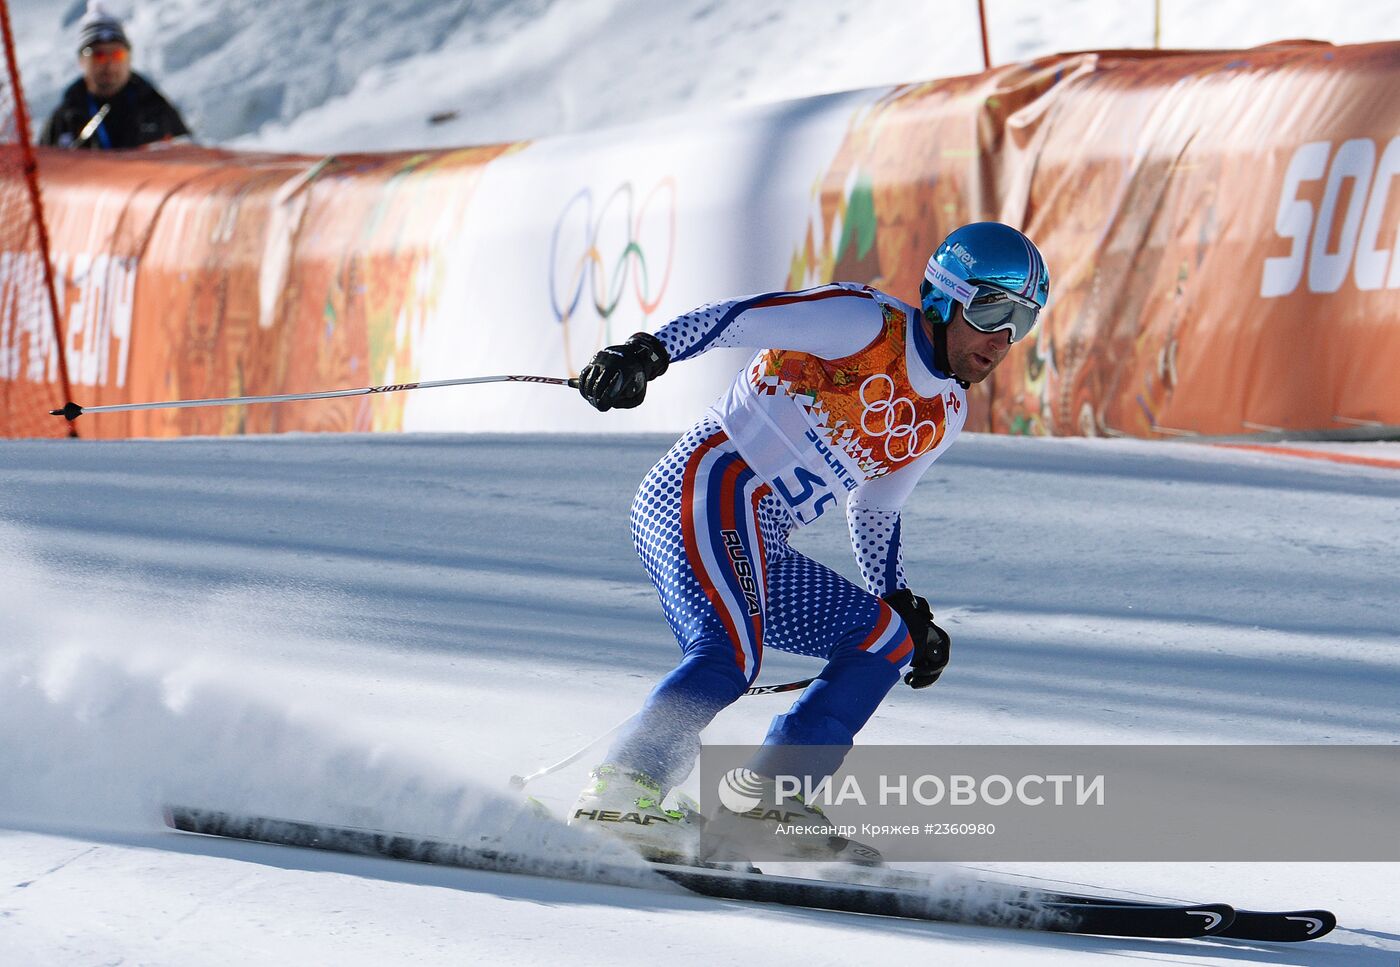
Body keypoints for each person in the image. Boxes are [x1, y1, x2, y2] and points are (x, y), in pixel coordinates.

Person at [569, 221, 1050, 862]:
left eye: (1023, 319)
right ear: (944, 295)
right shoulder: (863, 324)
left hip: (758, 532)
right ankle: (623, 790)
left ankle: (767, 802)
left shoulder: (946, 414)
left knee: (884, 636)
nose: (1003, 338)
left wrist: (898, 596)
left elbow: (877, 504)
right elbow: (739, 319)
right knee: (729, 654)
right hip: (705, 486)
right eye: (992, 309)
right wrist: (647, 352)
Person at [39, 2, 191, 150]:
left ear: (129, 58)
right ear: (81, 61)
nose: (109, 64)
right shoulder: (64, 121)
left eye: (117, 54)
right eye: (98, 55)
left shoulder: (156, 108)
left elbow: (191, 160)